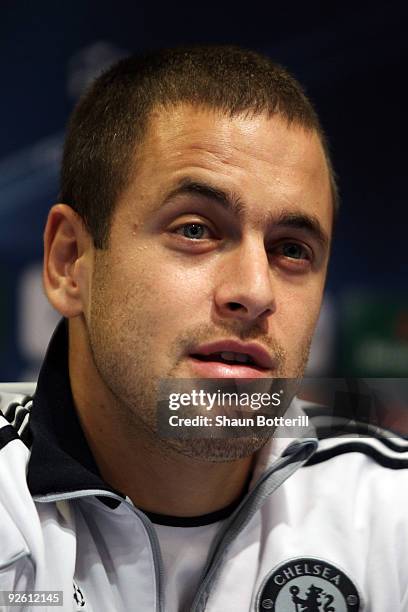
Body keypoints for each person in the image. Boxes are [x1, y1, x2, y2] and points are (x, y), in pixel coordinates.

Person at [0, 45, 407, 612]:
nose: (256, 292)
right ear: (70, 261)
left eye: (292, 249)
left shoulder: (391, 516)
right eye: (195, 230)